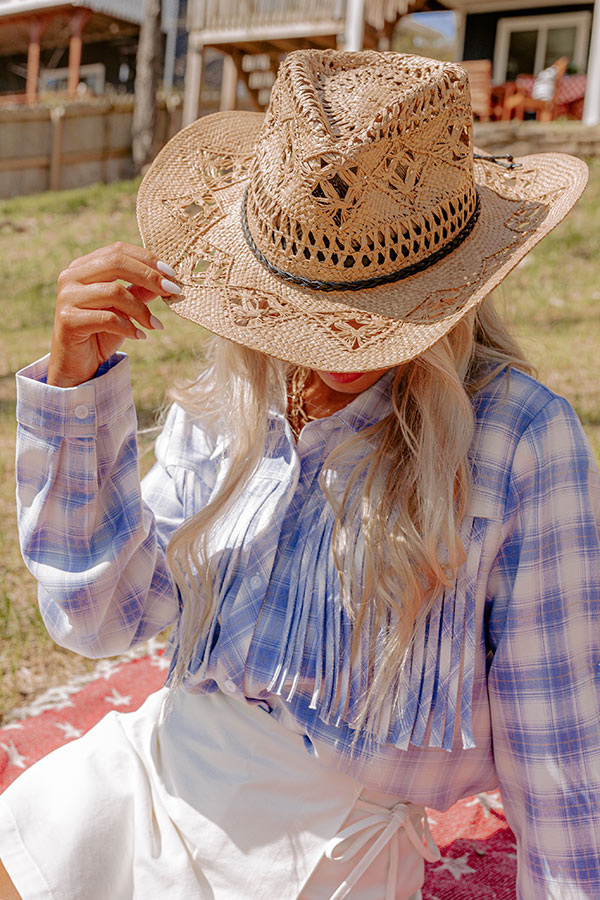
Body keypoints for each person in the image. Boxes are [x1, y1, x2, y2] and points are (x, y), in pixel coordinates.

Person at [0, 49, 598, 900]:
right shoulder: (232, 398)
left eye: (376, 304)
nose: (338, 340)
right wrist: (76, 395)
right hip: (163, 758)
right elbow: (102, 620)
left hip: (330, 840)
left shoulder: (519, 439)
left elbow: (562, 745)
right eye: (311, 299)